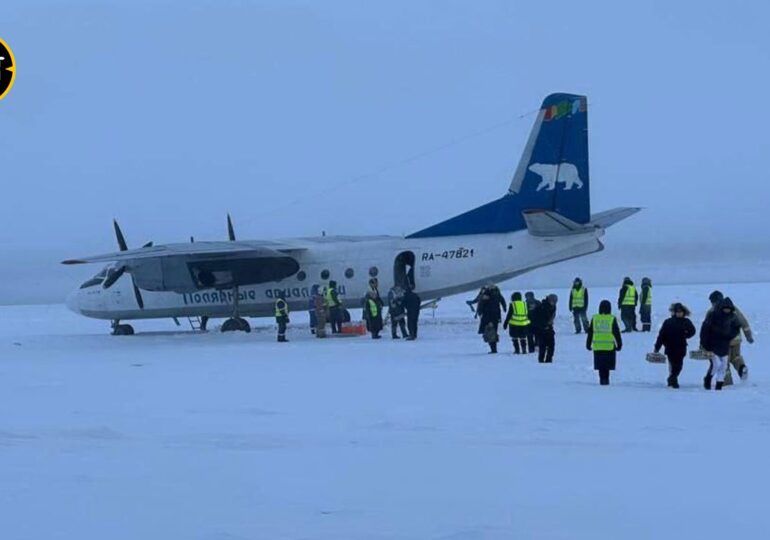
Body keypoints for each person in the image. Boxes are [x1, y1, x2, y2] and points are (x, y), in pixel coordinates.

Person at [705, 290, 753, 384]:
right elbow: (743, 322)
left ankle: (727, 382)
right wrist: (748, 336)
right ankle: (742, 368)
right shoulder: (733, 308)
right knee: (736, 357)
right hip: (736, 339)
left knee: (723, 362)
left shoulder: (712, 311)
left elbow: (706, 329)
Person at [700, 297, 742, 391]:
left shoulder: (732, 317)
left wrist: (730, 335)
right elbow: (704, 330)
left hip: (724, 346)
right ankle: (708, 379)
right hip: (712, 345)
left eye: (729, 308)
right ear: (721, 307)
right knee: (716, 364)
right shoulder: (713, 315)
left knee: (723, 366)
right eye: (725, 308)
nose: (727, 310)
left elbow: (737, 327)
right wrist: (704, 344)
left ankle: (719, 385)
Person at [654, 303, 696, 388]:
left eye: (681, 312)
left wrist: (686, 335)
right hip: (670, 347)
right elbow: (661, 335)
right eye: (677, 312)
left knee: (679, 366)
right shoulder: (668, 322)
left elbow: (693, 331)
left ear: (684, 312)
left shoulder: (686, 322)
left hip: (681, 347)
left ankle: (672, 378)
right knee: (672, 365)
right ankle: (673, 381)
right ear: (674, 312)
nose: (679, 313)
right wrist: (657, 347)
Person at [586, 300, 623, 385]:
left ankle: (602, 381)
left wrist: (588, 344)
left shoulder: (595, 318)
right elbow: (616, 332)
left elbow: (590, 332)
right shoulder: (611, 318)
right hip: (609, 347)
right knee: (607, 367)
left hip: (598, 347)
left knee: (601, 367)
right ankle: (606, 381)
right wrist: (619, 344)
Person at [531, 294, 557, 363]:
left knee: (551, 346)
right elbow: (537, 319)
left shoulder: (553, 307)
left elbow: (552, 317)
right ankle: (541, 360)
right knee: (543, 346)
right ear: (549, 300)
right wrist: (544, 325)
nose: (553, 303)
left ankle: (549, 360)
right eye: (552, 301)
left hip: (549, 329)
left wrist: (549, 324)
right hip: (541, 329)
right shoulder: (542, 307)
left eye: (554, 301)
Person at [477, 286, 503, 353]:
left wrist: (480, 313)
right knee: (491, 333)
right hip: (493, 318)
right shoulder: (494, 299)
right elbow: (498, 308)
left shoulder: (488, 301)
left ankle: (493, 349)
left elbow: (482, 307)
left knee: (490, 334)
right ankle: (493, 349)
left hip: (488, 319)